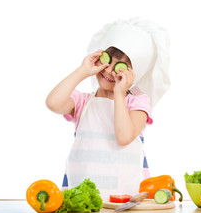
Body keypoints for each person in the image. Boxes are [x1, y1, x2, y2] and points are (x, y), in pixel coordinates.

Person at [46, 18, 170, 199]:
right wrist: (83, 70)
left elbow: (124, 136)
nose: (110, 71)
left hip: (127, 196)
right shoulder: (82, 102)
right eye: (107, 61)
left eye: (120, 67)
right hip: (81, 194)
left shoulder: (137, 103)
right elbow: (53, 103)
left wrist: (120, 94)